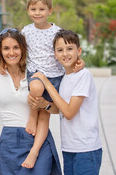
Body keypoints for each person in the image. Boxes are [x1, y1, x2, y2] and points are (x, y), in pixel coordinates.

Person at [0, 28, 62, 175]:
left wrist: (44, 105)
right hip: (9, 143)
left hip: (38, 141)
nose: (11, 52)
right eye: (6, 48)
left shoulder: (34, 73)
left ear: (23, 49)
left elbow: (56, 110)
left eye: (16, 47)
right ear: (0, 50)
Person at [21, 0, 84, 168]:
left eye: (42, 9)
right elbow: (18, 52)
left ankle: (34, 152)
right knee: (36, 90)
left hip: (55, 77)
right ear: (28, 10)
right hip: (36, 73)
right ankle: (32, 116)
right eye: (33, 9)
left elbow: (68, 51)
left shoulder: (58, 32)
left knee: (46, 115)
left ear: (50, 10)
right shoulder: (26, 31)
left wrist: (80, 61)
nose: (37, 12)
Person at [30, 29, 102, 175]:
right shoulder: (64, 78)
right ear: (55, 55)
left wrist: (47, 83)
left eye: (70, 49)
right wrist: (45, 104)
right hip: (69, 148)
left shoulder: (83, 76)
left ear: (79, 50)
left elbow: (69, 113)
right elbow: (61, 109)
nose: (65, 54)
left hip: (86, 149)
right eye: (60, 50)